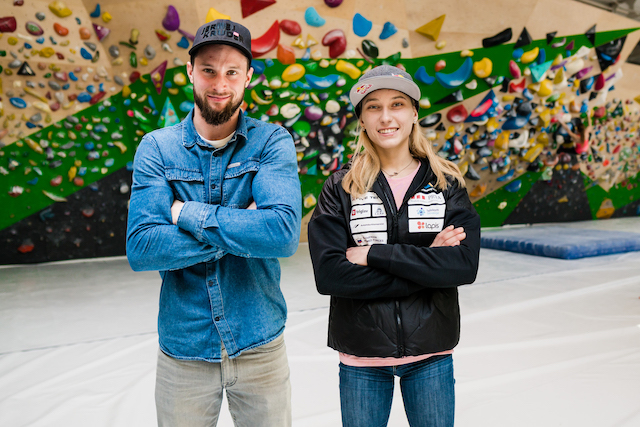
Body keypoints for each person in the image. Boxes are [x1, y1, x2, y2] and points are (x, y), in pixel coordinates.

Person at [126, 19, 301, 427]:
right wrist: (244, 227)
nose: (220, 83)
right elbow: (142, 248)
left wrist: (184, 214)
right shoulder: (157, 147)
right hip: (184, 350)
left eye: (231, 72)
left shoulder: (271, 142)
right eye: (208, 69)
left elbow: (281, 235)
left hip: (260, 344)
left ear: (248, 78)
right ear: (190, 72)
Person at [307, 65, 481, 427]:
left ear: (414, 113)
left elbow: (463, 267)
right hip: (361, 356)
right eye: (373, 107)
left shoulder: (446, 184)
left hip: (431, 351)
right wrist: (430, 262)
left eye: (397, 104)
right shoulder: (340, 187)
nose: (386, 117)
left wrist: (374, 254)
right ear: (362, 119)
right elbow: (331, 276)